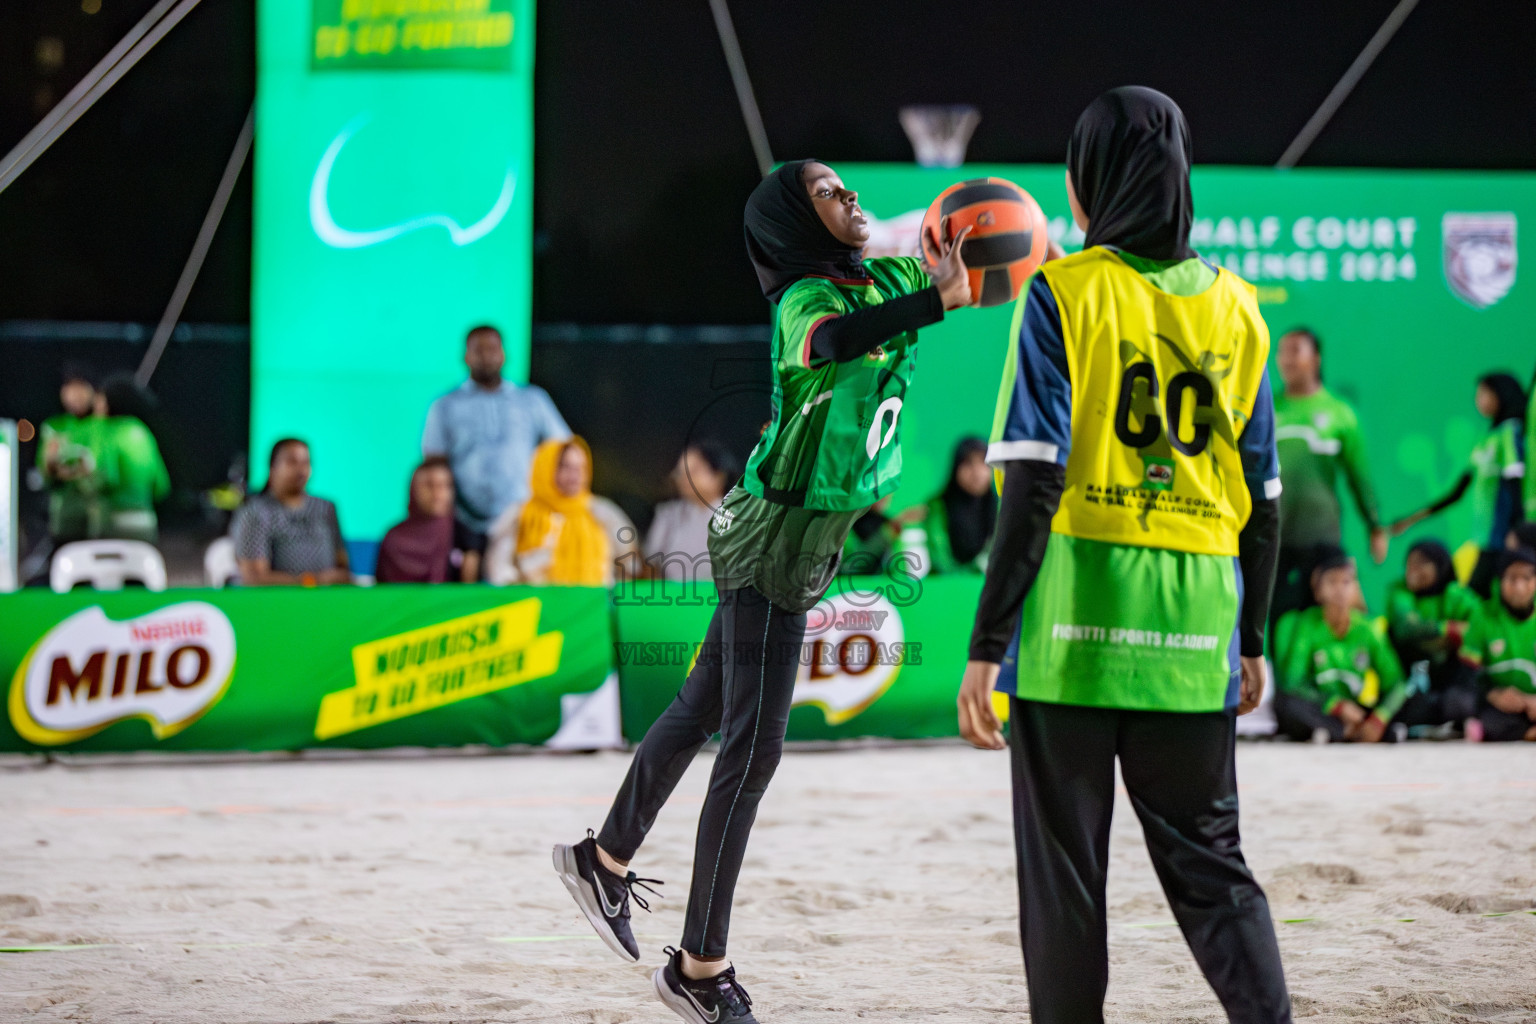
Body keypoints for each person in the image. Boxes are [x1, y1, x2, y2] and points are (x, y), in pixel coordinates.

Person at [552, 158, 974, 1024]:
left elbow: (938, 271)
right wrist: (938, 301)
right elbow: (829, 347)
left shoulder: (884, 276)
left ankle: (604, 859)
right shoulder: (801, 304)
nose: (848, 195)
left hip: (806, 539)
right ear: (792, 221)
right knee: (753, 750)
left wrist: (981, 266)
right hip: (767, 541)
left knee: (702, 708)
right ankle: (700, 969)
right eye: (827, 191)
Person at [956, 88, 1291, 1023]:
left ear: (1083, 185)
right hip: (1193, 629)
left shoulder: (1061, 292)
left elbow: (1031, 483)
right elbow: (1262, 502)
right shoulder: (1240, 311)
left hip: (1073, 629)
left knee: (1065, 881)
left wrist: (988, 645)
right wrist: (1252, 638)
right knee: (1215, 873)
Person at [1270, 327, 1387, 635]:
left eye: (1296, 350)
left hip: (1321, 538)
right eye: (1282, 351)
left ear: (1316, 358)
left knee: (1329, 622)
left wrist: (1375, 526)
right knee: (1280, 625)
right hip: (1272, 537)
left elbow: (1358, 477)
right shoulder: (1266, 409)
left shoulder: (1340, 414)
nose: (1286, 359)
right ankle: (1281, 684)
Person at [421, 325, 571, 540]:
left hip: (523, 518)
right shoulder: (444, 405)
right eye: (478, 350)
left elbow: (564, 449)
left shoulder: (533, 400)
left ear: (503, 354)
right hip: (462, 521)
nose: (486, 356)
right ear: (466, 356)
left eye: (492, 349)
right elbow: (434, 462)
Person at [1390, 372, 1527, 598]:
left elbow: (1515, 486)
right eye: (1478, 394)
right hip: (1485, 539)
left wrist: (1517, 532)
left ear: (1501, 395)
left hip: (1505, 539)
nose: (1478, 399)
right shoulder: (1485, 438)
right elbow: (1457, 492)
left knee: (1479, 599)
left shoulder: (1510, 433)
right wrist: (1412, 519)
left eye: (1484, 393)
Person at [1272, 548, 1406, 743]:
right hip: (1322, 707)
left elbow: (1396, 683)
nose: (1340, 590)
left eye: (1347, 582)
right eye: (1332, 582)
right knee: (1286, 704)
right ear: (1317, 590)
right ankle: (1348, 732)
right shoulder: (1307, 625)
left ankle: (1347, 731)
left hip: (1357, 710)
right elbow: (1293, 682)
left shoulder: (1366, 629)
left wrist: (1380, 718)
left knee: (1412, 700)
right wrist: (1336, 705)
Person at [484, 437, 635, 586]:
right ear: (546, 467)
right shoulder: (521, 516)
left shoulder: (602, 513)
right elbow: (499, 575)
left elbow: (631, 565)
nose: (575, 475)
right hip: (540, 606)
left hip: (592, 608)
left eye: (580, 467)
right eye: (566, 467)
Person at [1385, 539, 1481, 730]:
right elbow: (1406, 628)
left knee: (1459, 704)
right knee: (1404, 709)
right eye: (1409, 563)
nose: (1412, 570)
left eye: (1422, 563)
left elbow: (1477, 630)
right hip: (1410, 677)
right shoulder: (1399, 592)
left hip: (1451, 678)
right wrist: (1449, 630)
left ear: (1440, 566)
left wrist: (1433, 635)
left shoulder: (1456, 595)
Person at [231, 439, 350, 586]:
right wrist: (310, 581)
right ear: (272, 468)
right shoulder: (255, 512)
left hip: (327, 600)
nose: (301, 470)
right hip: (277, 601)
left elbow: (343, 565)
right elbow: (254, 577)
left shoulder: (325, 508)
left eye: (306, 463)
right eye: (292, 462)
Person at [1459, 546, 1536, 742]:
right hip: (1502, 705)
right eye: (1511, 579)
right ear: (1500, 581)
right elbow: (1467, 674)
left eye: (1526, 578)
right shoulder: (1483, 616)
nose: (1519, 587)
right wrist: (1494, 695)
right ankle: (1526, 732)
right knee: (1458, 702)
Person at [897, 436, 997, 574]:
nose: (977, 472)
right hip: (940, 590)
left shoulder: (1001, 511)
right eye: (968, 463)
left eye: (984, 463)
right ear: (955, 467)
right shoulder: (934, 509)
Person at [38, 363, 113, 544]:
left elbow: (107, 472)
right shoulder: (54, 426)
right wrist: (51, 463)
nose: (75, 396)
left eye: (81, 389)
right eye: (70, 389)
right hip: (64, 519)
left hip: (100, 522)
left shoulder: (103, 425)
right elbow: (45, 473)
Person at [644, 441, 738, 584]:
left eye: (694, 470)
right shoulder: (668, 515)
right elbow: (650, 565)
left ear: (719, 475)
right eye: (680, 472)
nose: (685, 478)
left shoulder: (740, 516)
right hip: (676, 601)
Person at [375, 456, 480, 583]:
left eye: (445, 485)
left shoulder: (468, 537)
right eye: (428, 485)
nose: (437, 493)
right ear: (413, 490)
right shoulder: (393, 540)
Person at [95, 375, 171, 543]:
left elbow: (107, 478)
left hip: (114, 522)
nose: (96, 405)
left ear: (111, 401)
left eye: (100, 400)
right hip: (145, 521)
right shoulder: (143, 432)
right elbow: (162, 485)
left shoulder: (106, 433)